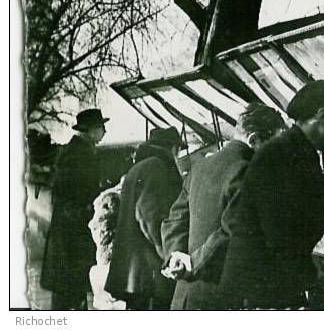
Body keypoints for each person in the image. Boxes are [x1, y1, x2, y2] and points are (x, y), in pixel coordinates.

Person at [220, 80, 324, 309]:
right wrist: (309, 270)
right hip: (259, 293)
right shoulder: (280, 155)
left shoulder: (296, 151)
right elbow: (278, 234)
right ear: (321, 115)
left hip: (269, 284)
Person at [160, 104, 287, 310]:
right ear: (254, 140)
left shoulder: (200, 167)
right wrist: (193, 262)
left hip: (187, 299)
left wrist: (176, 257)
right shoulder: (249, 171)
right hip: (224, 298)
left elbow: (174, 220)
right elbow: (233, 230)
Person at [104, 127, 185, 310]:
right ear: (173, 148)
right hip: (148, 270)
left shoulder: (139, 167)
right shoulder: (156, 166)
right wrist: (167, 253)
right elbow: (149, 215)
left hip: (135, 268)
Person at [40, 108, 108, 310]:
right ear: (91, 130)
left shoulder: (78, 151)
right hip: (71, 235)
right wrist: (91, 209)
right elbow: (71, 194)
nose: (105, 132)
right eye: (102, 127)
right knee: (68, 294)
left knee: (70, 291)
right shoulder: (79, 154)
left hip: (69, 232)